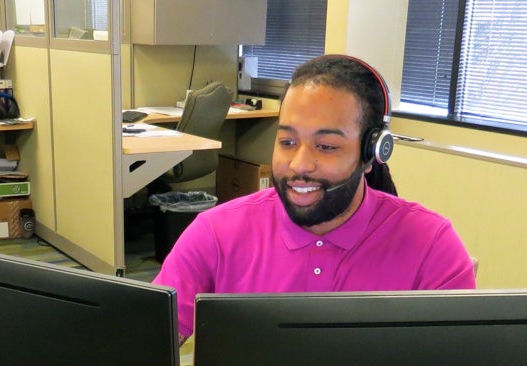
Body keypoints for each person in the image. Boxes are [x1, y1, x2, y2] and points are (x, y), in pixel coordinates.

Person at [153, 54, 476, 340]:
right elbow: (145, 346)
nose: (299, 165)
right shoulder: (216, 232)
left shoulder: (431, 242)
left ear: (371, 153)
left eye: (326, 146)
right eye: (287, 142)